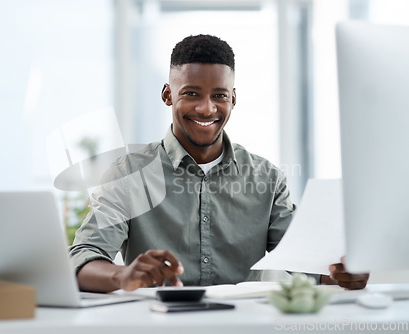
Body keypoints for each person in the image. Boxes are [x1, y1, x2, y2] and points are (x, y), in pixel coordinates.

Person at [68, 34, 369, 292]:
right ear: (167, 94)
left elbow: (305, 263)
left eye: (219, 95)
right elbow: (83, 257)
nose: (206, 108)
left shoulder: (267, 178)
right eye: (191, 94)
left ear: (233, 99)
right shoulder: (128, 174)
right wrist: (123, 275)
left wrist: (342, 274)